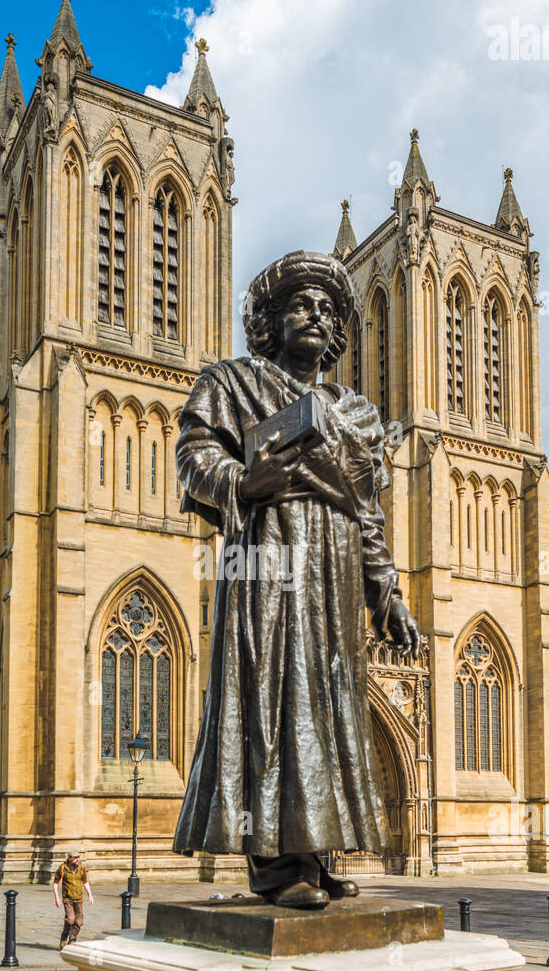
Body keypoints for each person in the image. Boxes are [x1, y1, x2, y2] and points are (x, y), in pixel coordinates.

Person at [172, 249, 420, 909]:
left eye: (325, 308)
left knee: (330, 707)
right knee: (272, 700)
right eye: (299, 305)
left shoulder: (359, 415)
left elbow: (367, 514)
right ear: (272, 321)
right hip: (267, 565)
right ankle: (279, 867)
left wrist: (386, 593)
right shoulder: (230, 383)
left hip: (333, 575)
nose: (313, 316)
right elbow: (194, 456)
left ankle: (317, 848)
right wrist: (241, 480)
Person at [52, 851, 94, 948]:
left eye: (78, 857)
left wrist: (90, 895)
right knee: (70, 919)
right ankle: (64, 938)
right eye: (75, 858)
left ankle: (72, 940)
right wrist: (57, 898)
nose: (77, 859)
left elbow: (85, 882)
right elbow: (55, 883)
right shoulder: (63, 868)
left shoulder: (82, 867)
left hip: (79, 899)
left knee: (79, 922)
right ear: (69, 858)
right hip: (68, 899)